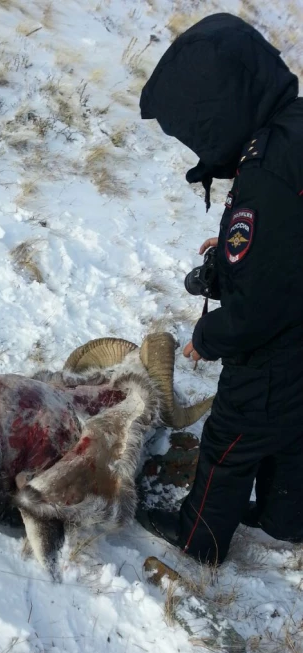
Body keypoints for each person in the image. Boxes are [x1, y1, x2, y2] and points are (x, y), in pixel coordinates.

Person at [136, 13, 303, 564]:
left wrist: (209, 335)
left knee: (229, 444)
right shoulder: (294, 130)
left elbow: (257, 306)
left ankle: (199, 538)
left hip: (270, 356)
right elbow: (283, 249)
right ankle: (285, 519)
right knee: (293, 433)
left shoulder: (264, 174)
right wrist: (232, 254)